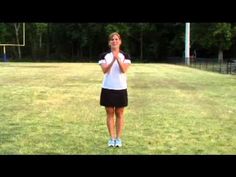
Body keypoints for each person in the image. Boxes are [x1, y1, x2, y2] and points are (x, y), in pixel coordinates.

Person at [98, 32, 131, 147]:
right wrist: (113, 59)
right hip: (108, 87)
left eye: (116, 39)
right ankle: (111, 138)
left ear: (120, 41)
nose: (114, 41)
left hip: (120, 88)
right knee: (110, 112)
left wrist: (117, 58)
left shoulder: (125, 55)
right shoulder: (104, 56)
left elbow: (123, 70)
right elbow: (105, 70)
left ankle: (118, 139)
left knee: (120, 113)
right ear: (109, 42)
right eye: (112, 39)